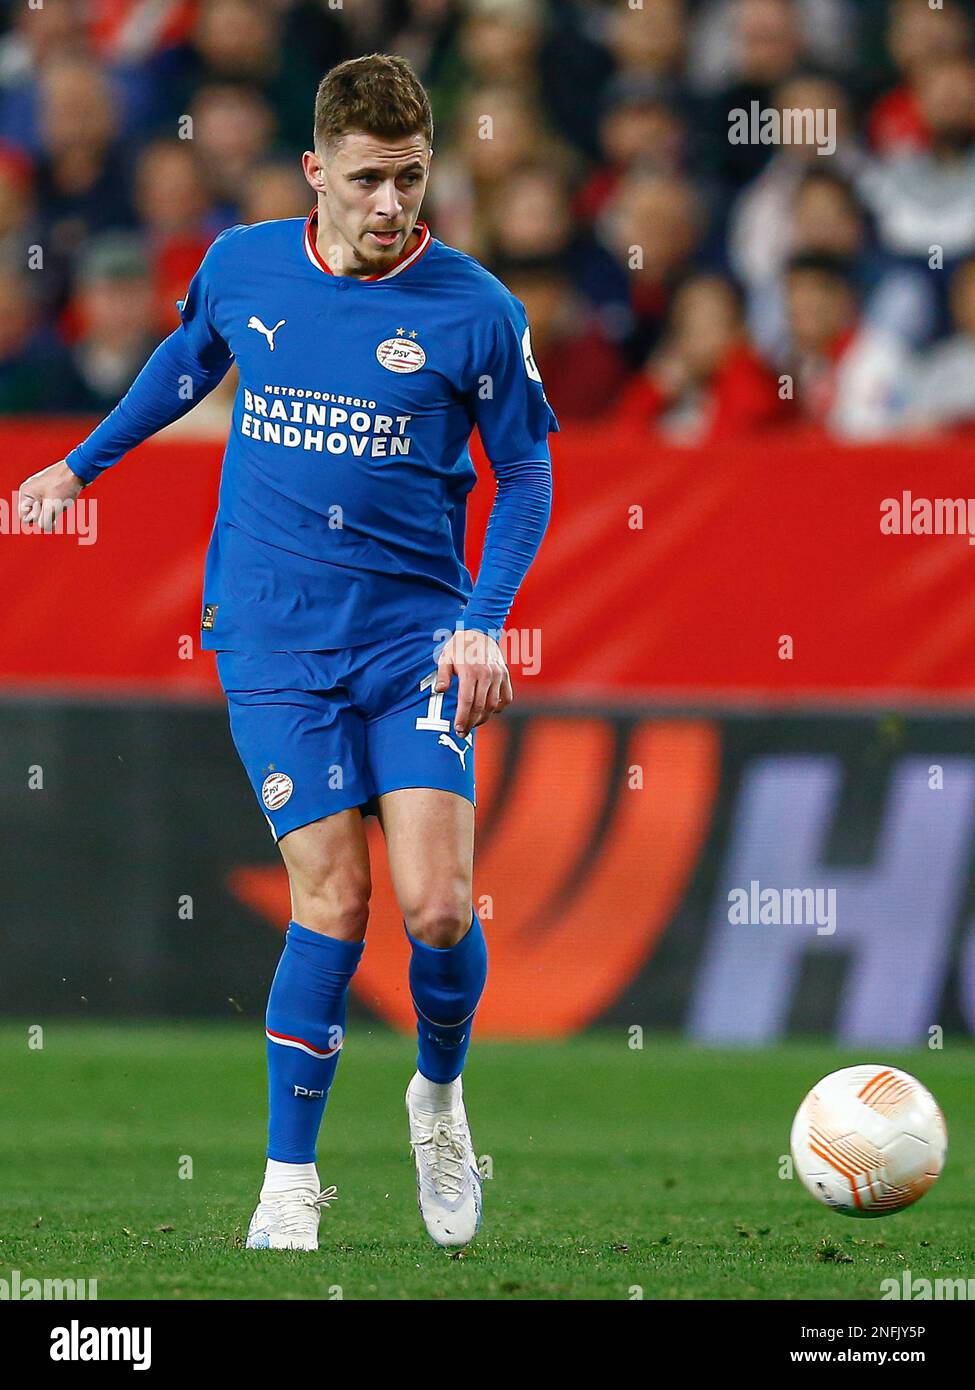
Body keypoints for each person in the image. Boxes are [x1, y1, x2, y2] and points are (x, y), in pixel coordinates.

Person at [17, 53, 558, 1255]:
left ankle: (438, 1097)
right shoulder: (242, 264)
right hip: (269, 634)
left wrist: (484, 617)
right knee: (335, 895)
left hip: (413, 635)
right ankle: (288, 1181)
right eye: (367, 179)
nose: (390, 206)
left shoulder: (475, 309)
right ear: (315, 170)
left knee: (434, 909)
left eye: (411, 179)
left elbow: (524, 470)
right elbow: (186, 363)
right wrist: (77, 463)